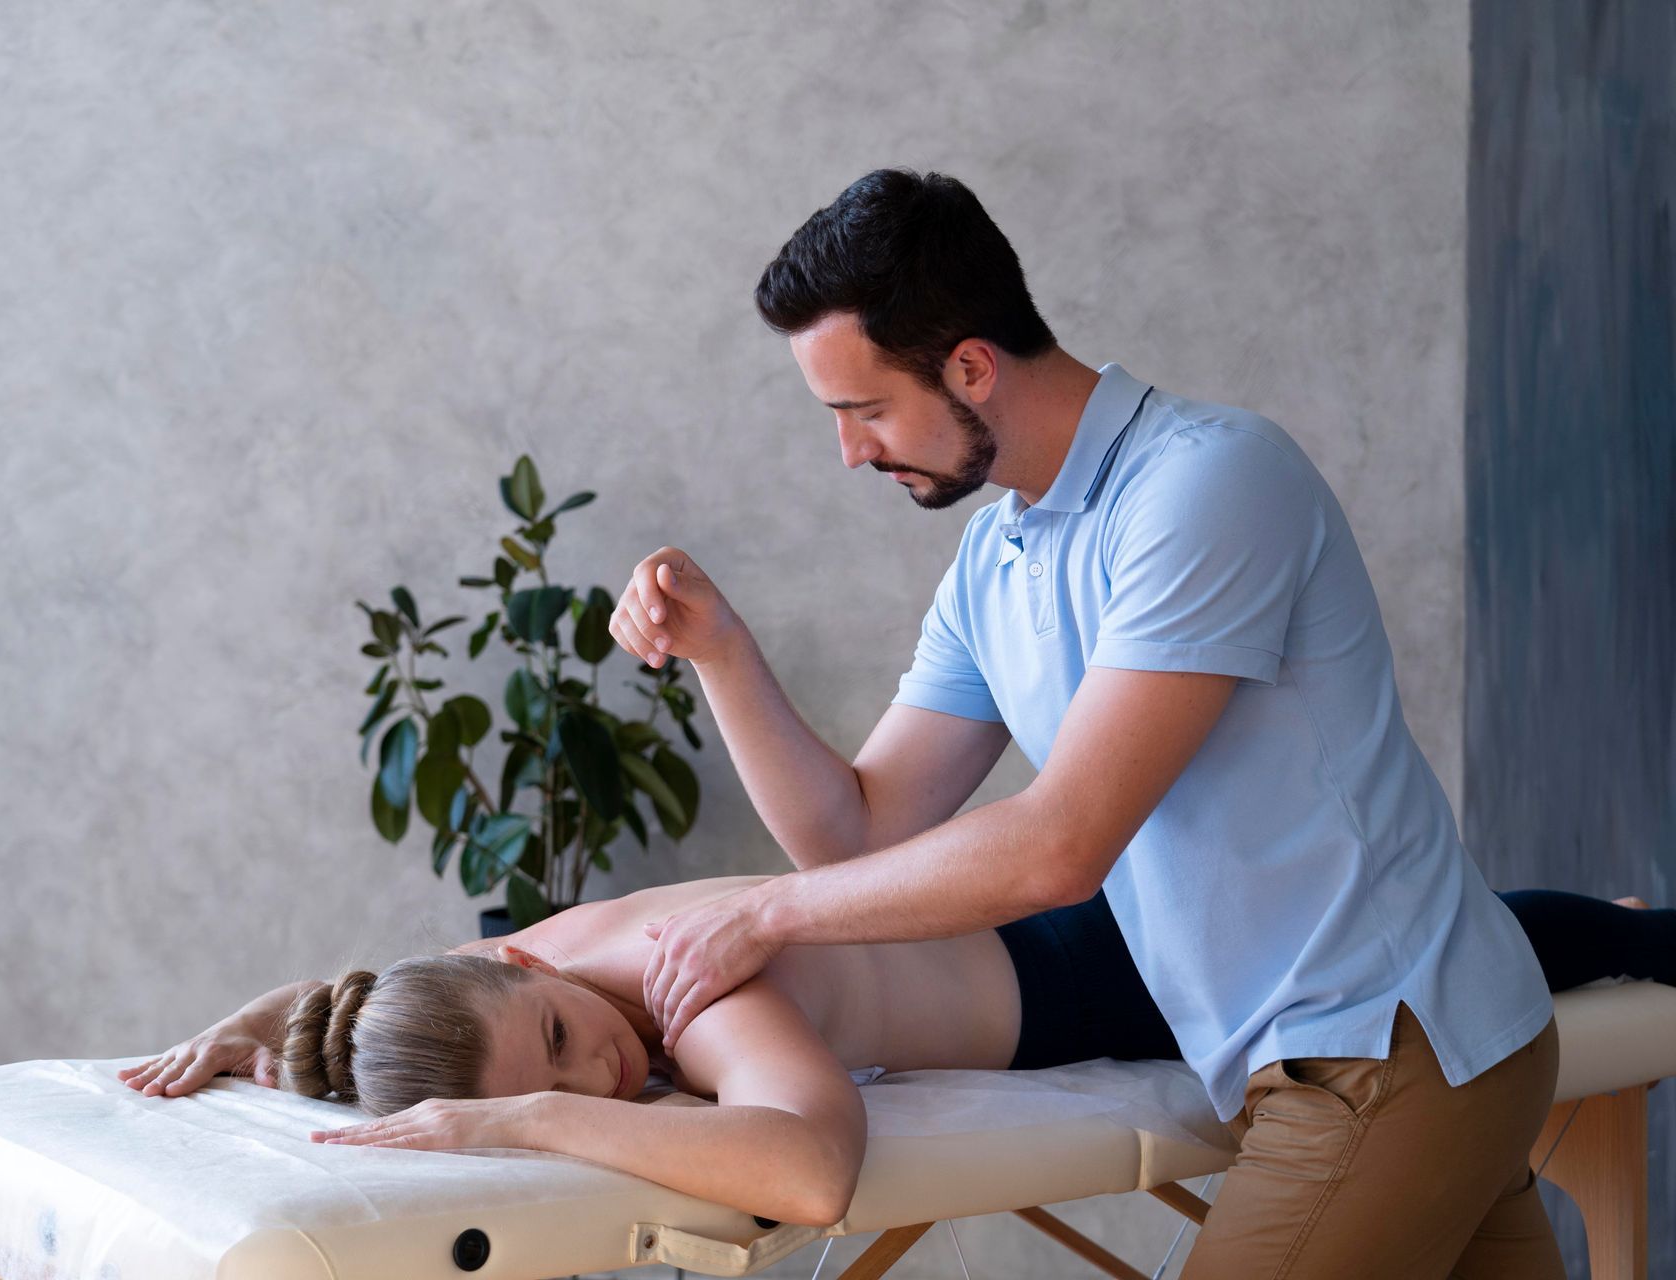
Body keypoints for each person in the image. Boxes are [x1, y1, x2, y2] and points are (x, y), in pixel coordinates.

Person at [606, 168, 1579, 1278]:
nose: (852, 452)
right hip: (1324, 1065)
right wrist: (721, 650)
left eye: (866, 410)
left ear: (970, 366)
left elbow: (1063, 842)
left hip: (1386, 1047)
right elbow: (858, 835)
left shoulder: (1206, 484)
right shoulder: (996, 561)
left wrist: (766, 916)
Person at [116, 875, 1674, 1232]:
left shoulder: (680, 997)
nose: (610, 1071)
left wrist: (535, 1121)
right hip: (1069, 936)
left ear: (507, 971)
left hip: (1107, 975)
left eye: (565, 1046)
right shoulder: (522, 961)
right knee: (1492, 921)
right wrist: (271, 1022)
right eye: (569, 1074)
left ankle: (1634, 928)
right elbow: (423, 999)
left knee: (1487, 939)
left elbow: (806, 1167)